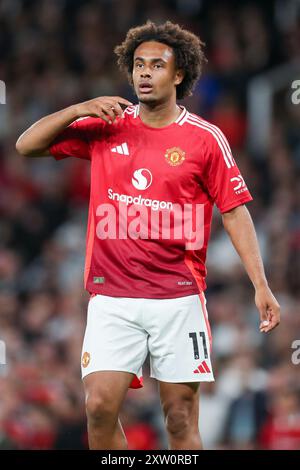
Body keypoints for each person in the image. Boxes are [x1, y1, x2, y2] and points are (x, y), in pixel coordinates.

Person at [16, 20, 280, 450]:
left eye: (156, 65)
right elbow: (27, 146)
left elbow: (235, 212)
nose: (144, 73)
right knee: (99, 407)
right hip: (112, 296)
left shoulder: (206, 139)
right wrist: (78, 108)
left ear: (178, 75)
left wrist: (260, 285)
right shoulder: (108, 125)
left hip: (177, 298)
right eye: (138, 64)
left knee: (178, 418)